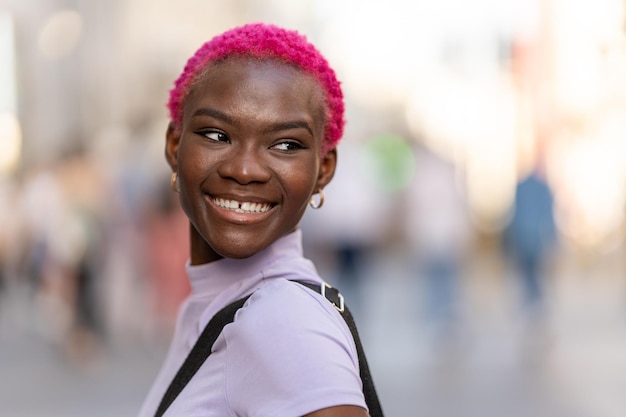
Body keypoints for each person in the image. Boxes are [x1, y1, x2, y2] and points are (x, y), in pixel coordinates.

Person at [138, 23, 377, 417]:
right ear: (174, 146)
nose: (245, 169)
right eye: (216, 135)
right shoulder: (212, 305)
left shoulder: (282, 319)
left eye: (286, 144)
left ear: (323, 169)